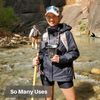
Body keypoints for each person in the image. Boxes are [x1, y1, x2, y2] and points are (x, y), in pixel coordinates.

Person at [33, 6, 80, 100]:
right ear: (46, 18)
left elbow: (75, 52)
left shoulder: (66, 33)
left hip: (63, 73)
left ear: (59, 17)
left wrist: (60, 58)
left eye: (54, 16)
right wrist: (37, 60)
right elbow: (42, 53)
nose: (51, 19)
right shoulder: (45, 34)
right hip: (45, 73)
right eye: (49, 16)